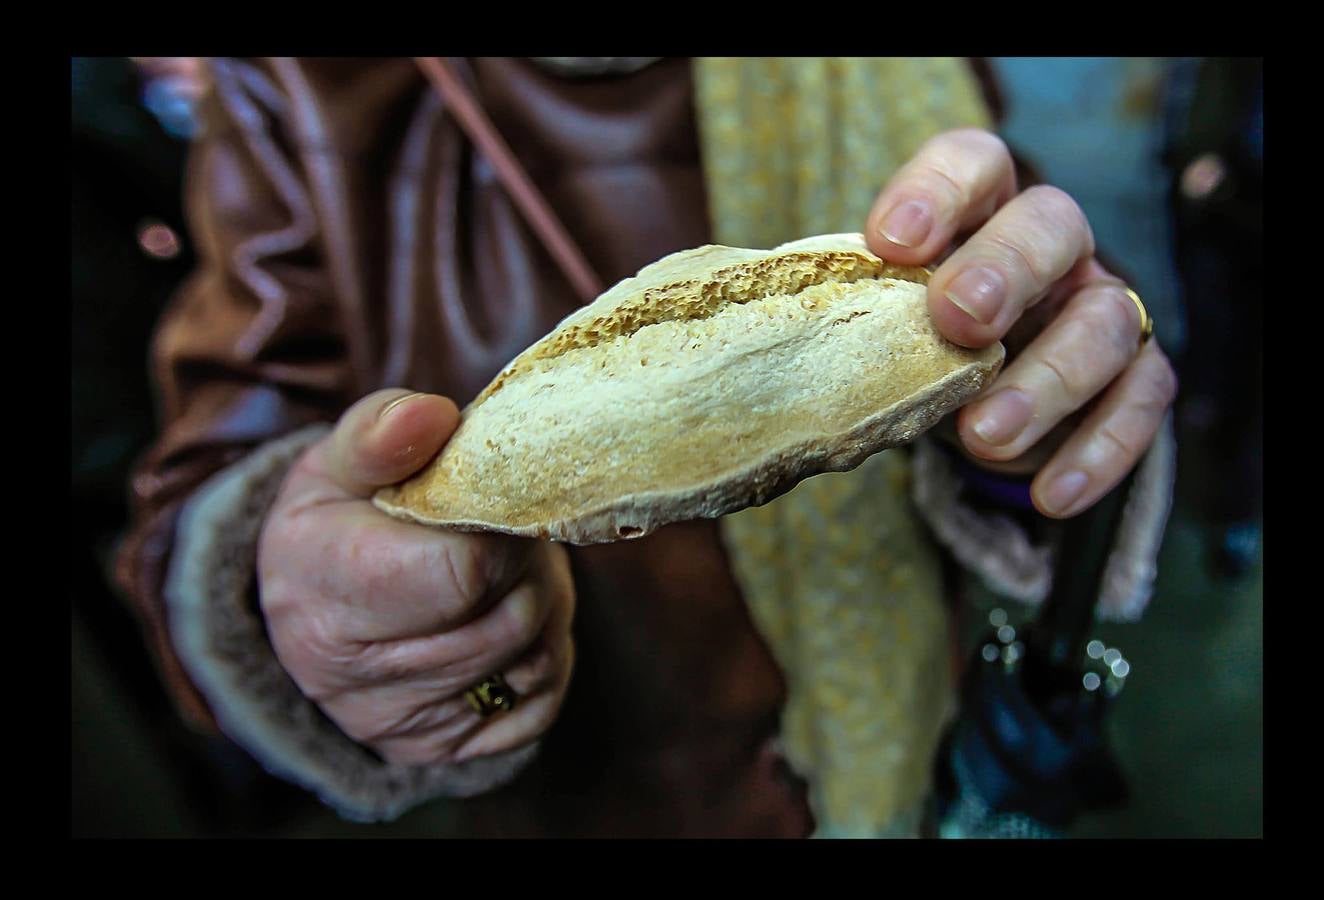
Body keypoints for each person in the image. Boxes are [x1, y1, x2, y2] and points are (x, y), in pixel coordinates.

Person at [112, 57, 1177, 837]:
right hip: (611, 803)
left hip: (913, 747)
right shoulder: (296, 88)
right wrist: (329, 611)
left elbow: (1014, 300)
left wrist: (1028, 417)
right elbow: (205, 488)